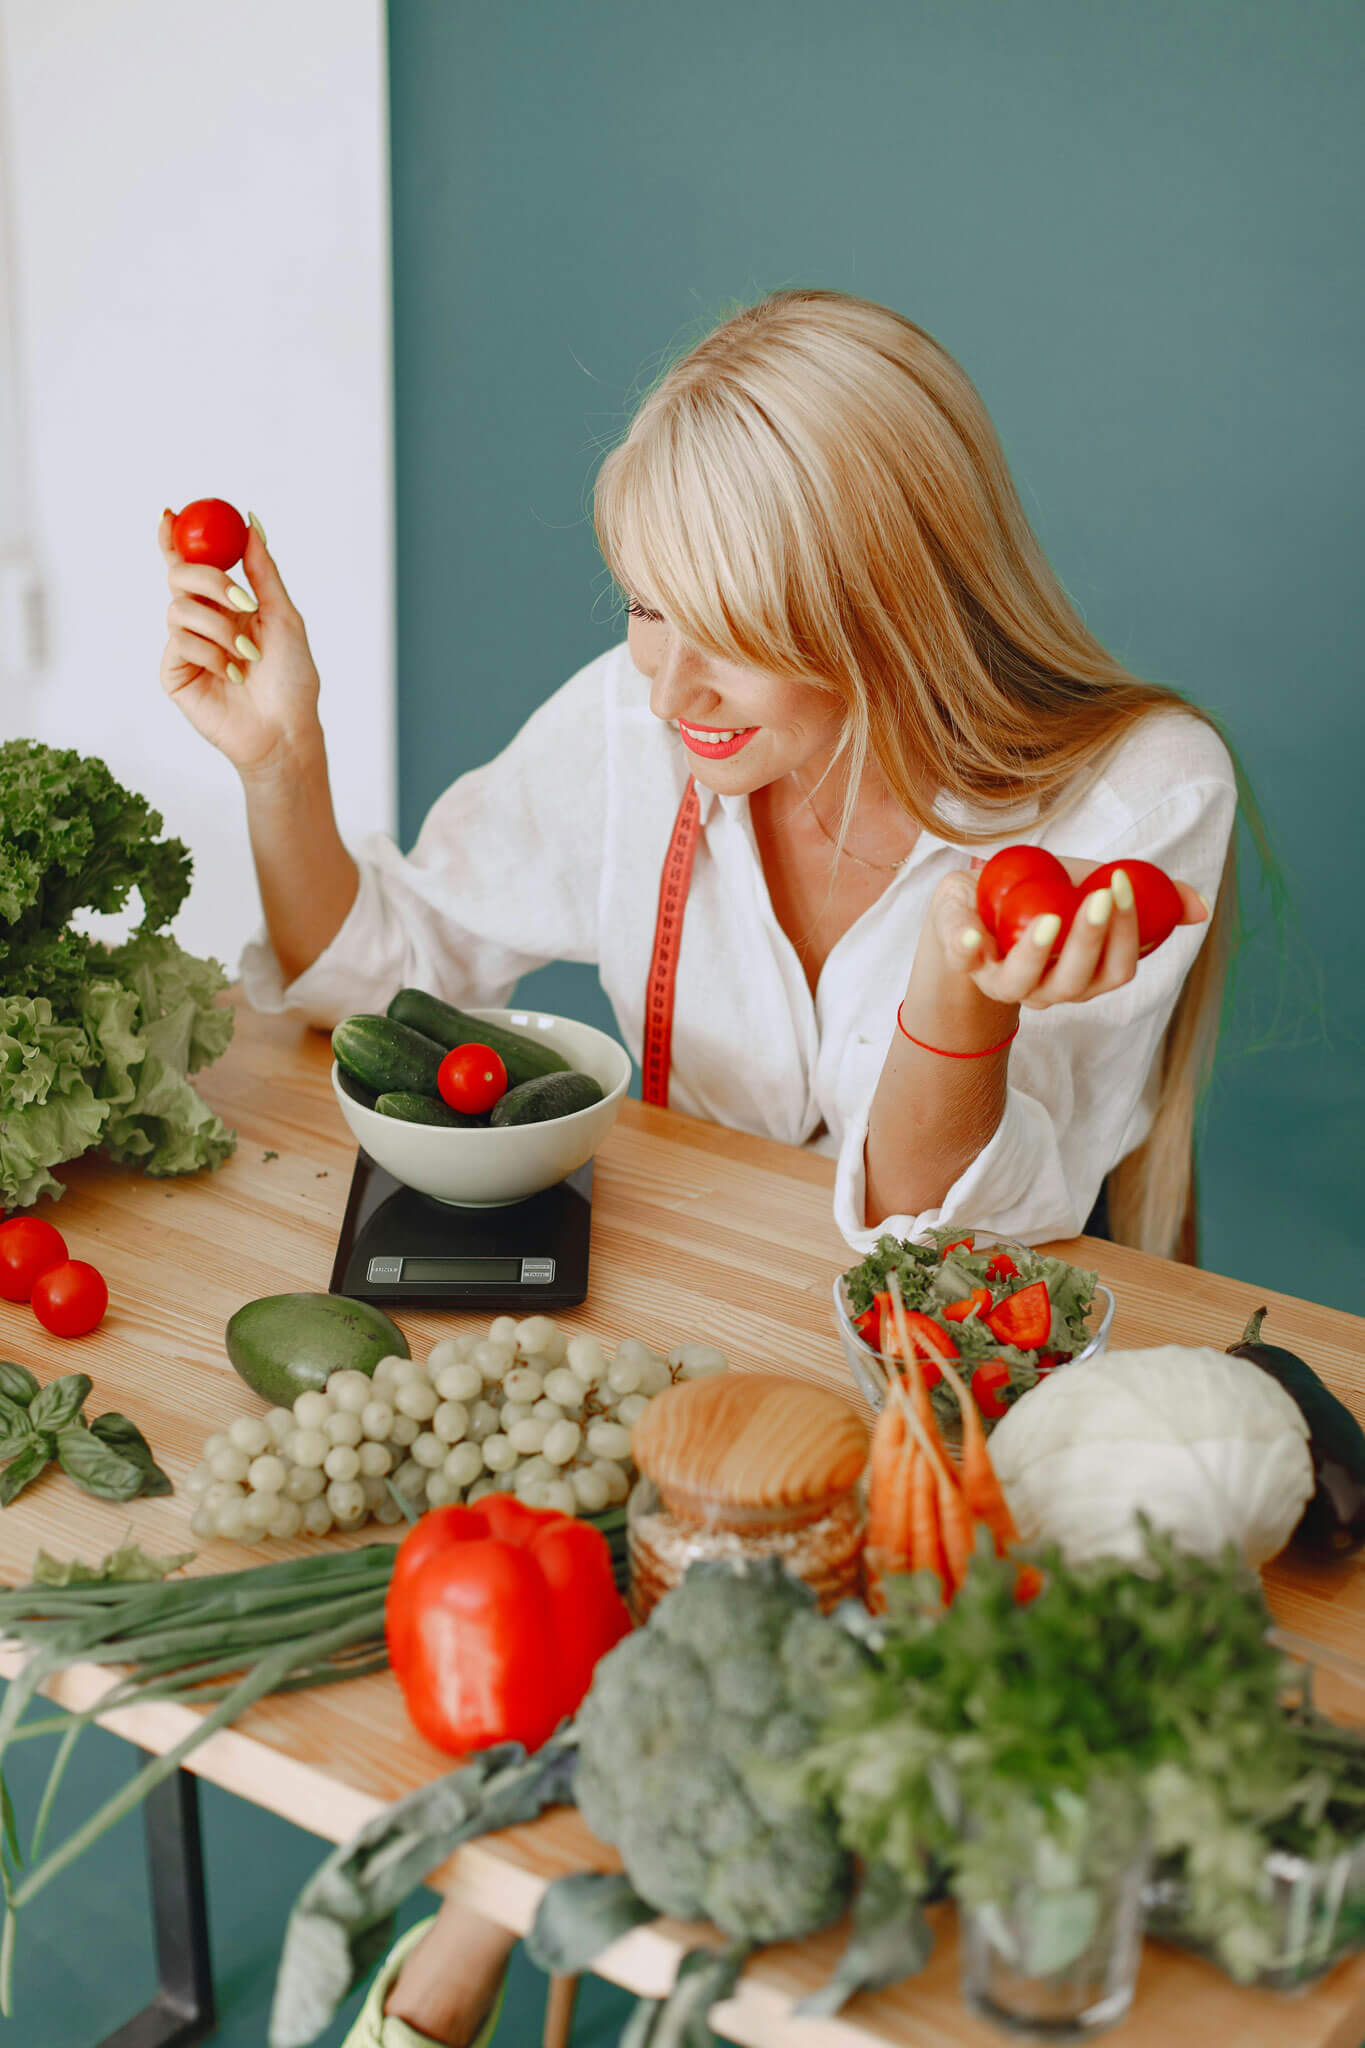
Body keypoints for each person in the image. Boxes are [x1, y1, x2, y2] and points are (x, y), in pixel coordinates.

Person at [158, 290, 1236, 2046]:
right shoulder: (638, 718)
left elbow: (948, 1241)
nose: (666, 683)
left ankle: (445, 1971)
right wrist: (286, 765)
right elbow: (386, 980)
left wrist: (960, 997)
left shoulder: (1130, 792)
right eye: (645, 608)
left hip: (947, 1407)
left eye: (729, 627)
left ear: (885, 597)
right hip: (681, 1356)